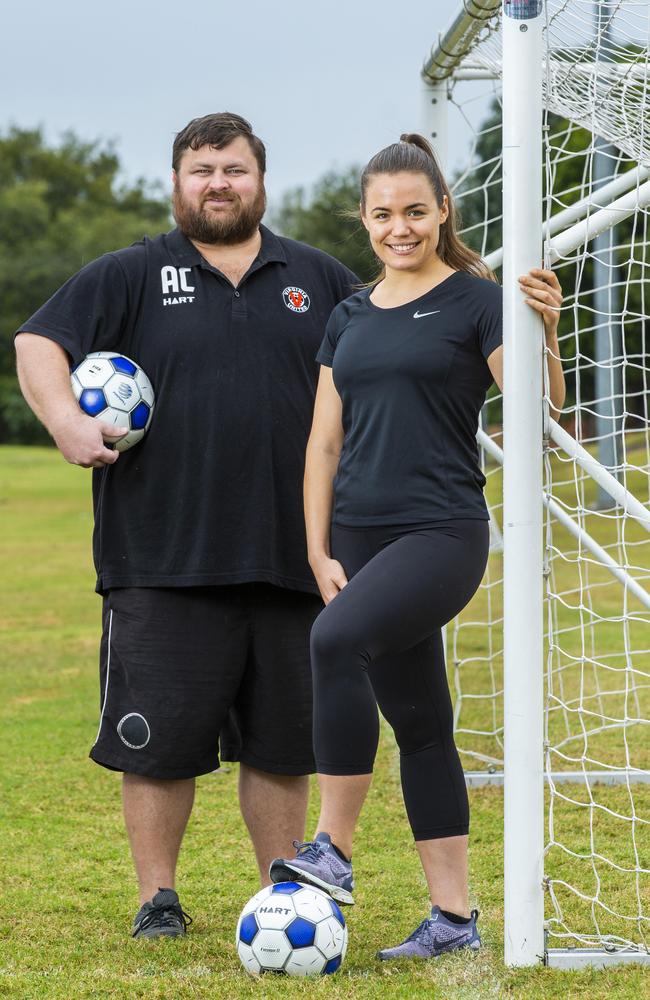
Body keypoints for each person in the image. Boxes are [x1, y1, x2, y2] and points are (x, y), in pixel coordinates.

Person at [14, 112, 358, 939]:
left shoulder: (320, 276)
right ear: (177, 182)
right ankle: (157, 898)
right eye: (201, 170)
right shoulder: (130, 273)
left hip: (294, 555)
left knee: (282, 746)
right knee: (158, 744)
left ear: (260, 181)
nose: (217, 184)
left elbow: (390, 352)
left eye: (233, 170)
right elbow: (38, 343)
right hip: (160, 555)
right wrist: (65, 420)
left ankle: (281, 896)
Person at [270, 134, 565, 959]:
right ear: (364, 220)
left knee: (333, 641)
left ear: (443, 211)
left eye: (415, 212)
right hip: (355, 540)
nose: (400, 228)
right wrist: (316, 549)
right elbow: (322, 444)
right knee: (423, 725)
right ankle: (455, 921)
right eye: (382, 215)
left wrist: (544, 331)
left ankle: (331, 848)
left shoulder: (479, 301)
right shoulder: (349, 314)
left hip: (439, 532)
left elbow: (534, 417)